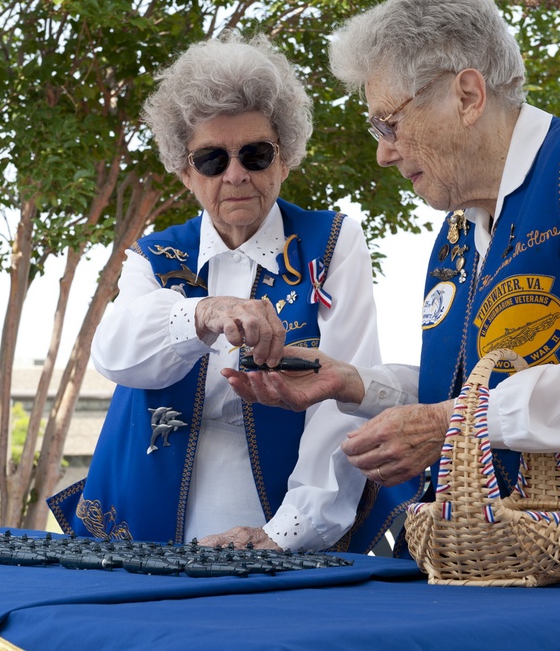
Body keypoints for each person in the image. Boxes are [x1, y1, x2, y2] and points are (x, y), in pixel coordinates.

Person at [224, 0, 560, 580]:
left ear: (467, 94)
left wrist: (447, 426)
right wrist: (355, 385)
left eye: (388, 121)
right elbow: (474, 385)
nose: (382, 152)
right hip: (516, 575)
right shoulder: (459, 230)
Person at [47, 32, 423, 553]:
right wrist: (202, 313)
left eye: (255, 153)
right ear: (184, 172)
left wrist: (285, 535)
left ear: (285, 158)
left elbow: (338, 401)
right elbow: (116, 354)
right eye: (212, 160)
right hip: (142, 521)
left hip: (283, 523)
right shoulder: (154, 257)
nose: (237, 175)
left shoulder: (332, 243)